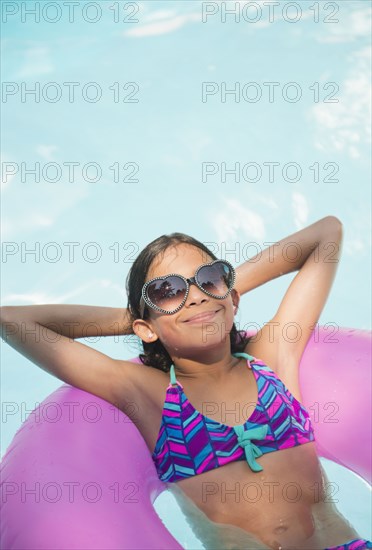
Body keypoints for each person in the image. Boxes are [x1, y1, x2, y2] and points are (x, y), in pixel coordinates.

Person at [1, 216, 371, 550]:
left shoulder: (271, 358)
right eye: (168, 291)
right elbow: (12, 320)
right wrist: (135, 320)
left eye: (209, 279)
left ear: (234, 297)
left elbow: (326, 234)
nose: (194, 296)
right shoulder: (149, 394)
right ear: (145, 327)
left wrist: (216, 294)